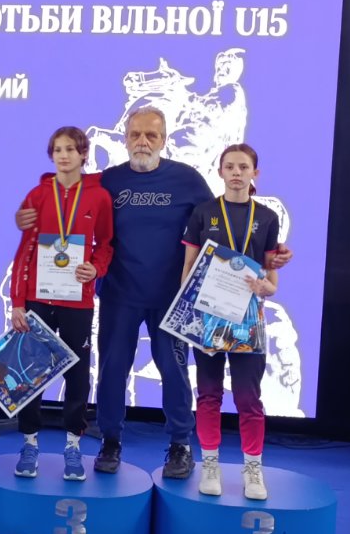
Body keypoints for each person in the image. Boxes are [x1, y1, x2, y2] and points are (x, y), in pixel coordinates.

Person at [15, 109, 291, 479]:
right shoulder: (110, 180)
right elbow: (66, 181)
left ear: (164, 140)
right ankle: (110, 441)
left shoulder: (187, 179)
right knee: (112, 370)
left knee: (174, 371)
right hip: (120, 295)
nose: (142, 142)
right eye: (135, 134)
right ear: (126, 138)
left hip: (171, 299)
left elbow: (222, 223)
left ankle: (180, 445)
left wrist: (270, 253)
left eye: (151, 135)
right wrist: (28, 209)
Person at [6, 126, 113, 481]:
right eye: (57, 150)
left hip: (77, 300)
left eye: (70, 149)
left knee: (77, 372)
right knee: (30, 371)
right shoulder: (38, 194)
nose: (64, 155)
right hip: (37, 296)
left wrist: (95, 268)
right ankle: (29, 443)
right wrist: (17, 302)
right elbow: (25, 250)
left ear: (83, 154)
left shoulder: (100, 197)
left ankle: (73, 445)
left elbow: (106, 244)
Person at [181, 143, 280, 500]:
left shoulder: (267, 217)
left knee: (248, 397)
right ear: (220, 171)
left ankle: (253, 468)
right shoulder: (204, 212)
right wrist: (188, 313)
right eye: (230, 167)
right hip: (209, 317)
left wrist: (266, 287)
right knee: (208, 394)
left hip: (247, 318)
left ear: (255, 173)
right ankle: (209, 463)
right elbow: (188, 267)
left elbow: (271, 276)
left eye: (243, 167)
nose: (236, 173)